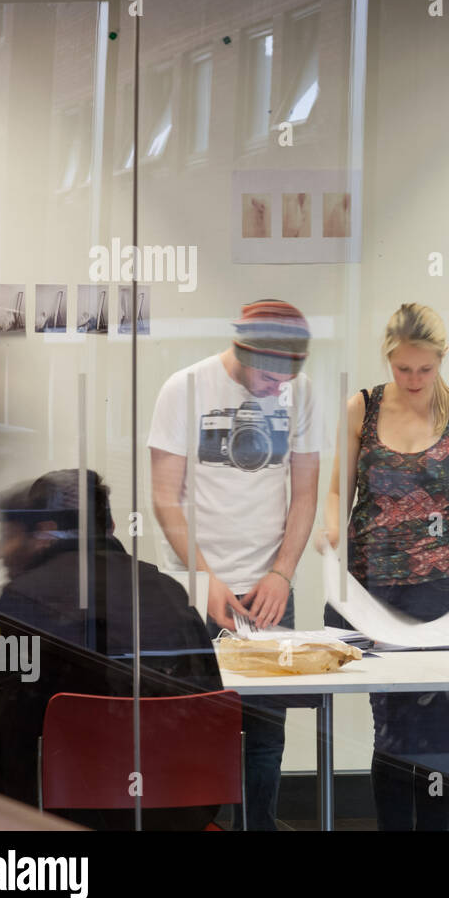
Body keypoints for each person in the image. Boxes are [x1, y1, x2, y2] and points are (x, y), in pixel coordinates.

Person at [320, 303, 449, 831]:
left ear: (441, 360)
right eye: (402, 368)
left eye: (424, 369)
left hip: (433, 590)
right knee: (390, 727)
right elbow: (335, 492)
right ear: (388, 359)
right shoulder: (361, 409)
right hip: (370, 590)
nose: (413, 380)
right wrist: (328, 532)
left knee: (437, 728)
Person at [148, 298, 321, 830]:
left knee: (266, 736)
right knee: (187, 724)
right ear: (243, 352)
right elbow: (164, 496)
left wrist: (282, 574)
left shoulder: (301, 391)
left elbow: (306, 493)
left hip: (268, 591)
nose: (278, 388)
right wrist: (205, 580)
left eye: (287, 377)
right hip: (191, 590)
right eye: (269, 377)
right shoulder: (185, 388)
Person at [0, 470, 222, 829]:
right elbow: (209, 698)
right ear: (112, 525)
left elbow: (9, 735)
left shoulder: (24, 598)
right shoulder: (167, 590)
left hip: (62, 805)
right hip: (175, 802)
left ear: (43, 532)